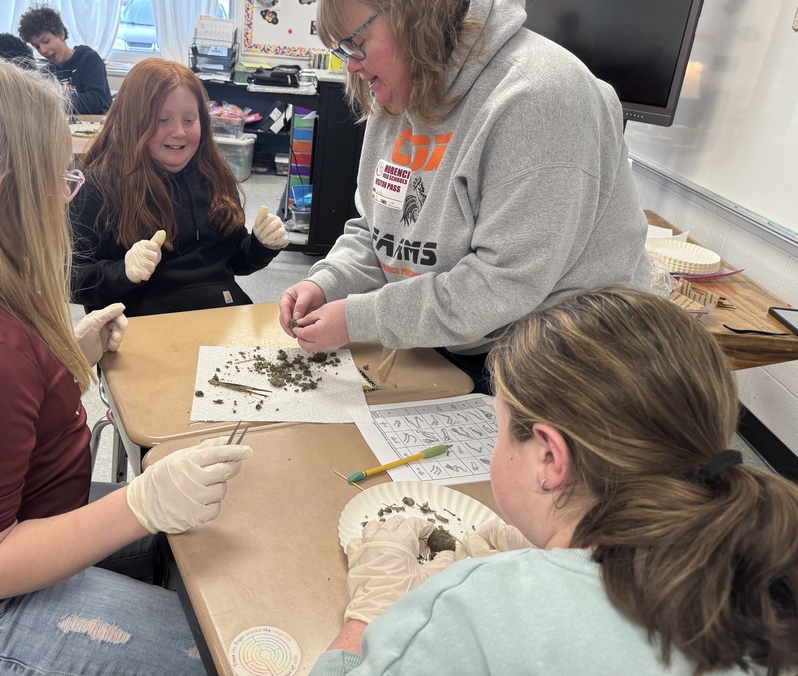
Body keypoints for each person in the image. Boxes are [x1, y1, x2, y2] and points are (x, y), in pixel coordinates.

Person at [0, 51, 252, 675]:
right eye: (62, 177)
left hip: (17, 525)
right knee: (217, 653)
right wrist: (138, 506)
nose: (69, 192)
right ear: (5, 195)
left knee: (207, 548)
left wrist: (66, 355)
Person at [313, 286, 798, 675]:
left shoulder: (474, 610)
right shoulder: (765, 576)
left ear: (549, 457)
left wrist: (367, 618)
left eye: (498, 429)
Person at [278, 0, 650, 394]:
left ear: (412, 15)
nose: (351, 66)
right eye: (343, 50)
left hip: (570, 367)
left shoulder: (539, 97)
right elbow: (377, 229)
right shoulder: (400, 88)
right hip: (461, 338)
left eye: (357, 44)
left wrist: (360, 318)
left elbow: (501, 285)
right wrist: (330, 282)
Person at [70, 57, 288, 316]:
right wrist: (122, 271)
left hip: (220, 318)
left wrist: (260, 246)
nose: (179, 133)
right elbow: (69, 280)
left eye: (189, 120)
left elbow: (234, 262)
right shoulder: (97, 185)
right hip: (143, 326)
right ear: (132, 121)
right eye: (163, 120)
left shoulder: (214, 175)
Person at [17, 5, 112, 115]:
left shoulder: (89, 59)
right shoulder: (46, 72)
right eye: (36, 46)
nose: (43, 50)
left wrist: (51, 99)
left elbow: (97, 101)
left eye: (46, 41)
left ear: (61, 34)